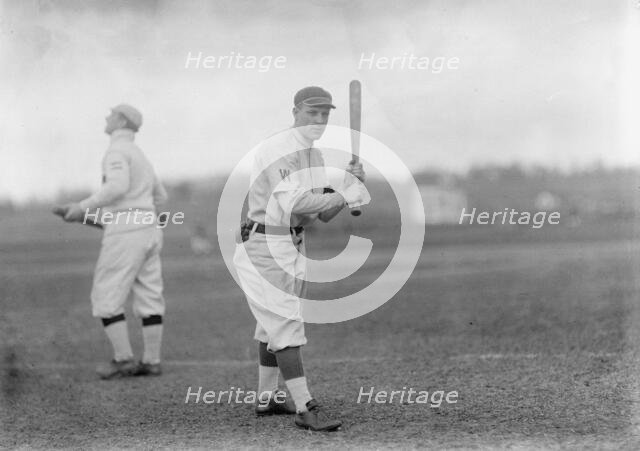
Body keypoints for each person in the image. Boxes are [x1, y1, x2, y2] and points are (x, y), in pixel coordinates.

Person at [232, 86, 368, 431]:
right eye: (312, 112)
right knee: (286, 324)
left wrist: (347, 188)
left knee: (271, 325)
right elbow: (293, 204)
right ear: (295, 112)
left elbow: (320, 214)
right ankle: (306, 407)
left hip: (292, 243)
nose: (319, 120)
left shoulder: (315, 156)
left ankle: (267, 399)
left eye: (324, 114)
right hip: (266, 243)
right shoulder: (279, 149)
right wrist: (343, 192)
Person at [61, 104, 168, 379]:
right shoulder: (140, 154)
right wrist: (143, 219)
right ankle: (151, 361)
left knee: (106, 295)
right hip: (149, 229)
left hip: (127, 232)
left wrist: (82, 207)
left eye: (111, 114)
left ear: (121, 120)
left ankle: (123, 360)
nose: (106, 118)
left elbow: (117, 187)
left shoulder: (117, 151)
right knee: (149, 295)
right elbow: (161, 197)